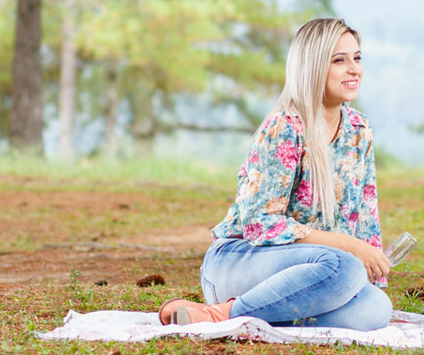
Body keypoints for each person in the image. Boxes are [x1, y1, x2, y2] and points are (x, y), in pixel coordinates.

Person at [159, 17, 393, 331]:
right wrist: (348, 248)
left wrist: (368, 267)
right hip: (241, 261)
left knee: (376, 309)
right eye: (339, 60)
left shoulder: (359, 131)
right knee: (343, 265)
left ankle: (261, 311)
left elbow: (366, 218)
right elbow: (259, 224)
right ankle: (224, 313)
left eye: (357, 58)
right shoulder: (285, 127)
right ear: (312, 66)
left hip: (316, 273)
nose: (354, 69)